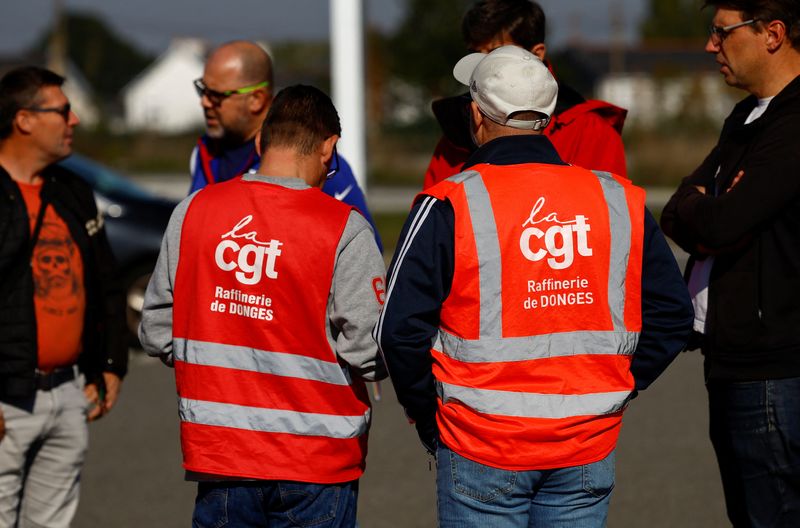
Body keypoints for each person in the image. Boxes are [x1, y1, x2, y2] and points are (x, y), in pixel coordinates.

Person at [376, 46, 693, 527]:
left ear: (476, 115)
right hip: (586, 444)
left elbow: (398, 330)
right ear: (548, 117)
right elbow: (673, 316)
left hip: (481, 444)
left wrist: (430, 416)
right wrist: (615, 387)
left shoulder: (449, 201)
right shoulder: (616, 200)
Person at [139, 84, 387, 527]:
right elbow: (369, 350)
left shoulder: (194, 211)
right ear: (329, 148)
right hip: (317, 457)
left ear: (260, 142)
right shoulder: (344, 227)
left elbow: (157, 328)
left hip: (220, 453)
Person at [660, 1, 800, 525]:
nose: (710, 45)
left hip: (775, 370)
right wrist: (706, 204)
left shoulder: (793, 121)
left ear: (772, 33)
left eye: (722, 32)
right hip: (733, 362)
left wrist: (709, 208)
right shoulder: (745, 118)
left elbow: (720, 224)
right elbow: (676, 212)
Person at [0, 66, 127, 527]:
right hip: (7, 397)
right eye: (63, 111)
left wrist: (110, 363)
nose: (73, 121)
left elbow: (107, 285)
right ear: (24, 120)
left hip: (67, 392)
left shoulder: (71, 190)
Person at [190, 40, 382, 251]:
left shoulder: (320, 163)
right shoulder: (203, 153)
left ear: (256, 98)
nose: (204, 102)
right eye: (203, 90)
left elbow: (366, 249)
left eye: (217, 96)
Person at [424, 0, 628, 190]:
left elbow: (608, 218)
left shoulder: (589, 131)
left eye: (496, 53)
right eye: (475, 53)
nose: (483, 65)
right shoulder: (459, 125)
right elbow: (435, 214)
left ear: (537, 54)